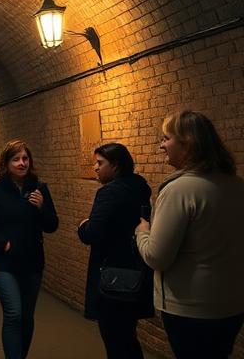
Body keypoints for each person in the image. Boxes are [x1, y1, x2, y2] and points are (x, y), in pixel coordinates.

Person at [135, 110, 244, 359]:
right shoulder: (240, 187)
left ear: (188, 143)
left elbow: (156, 257)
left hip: (189, 309)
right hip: (233, 305)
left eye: (166, 138)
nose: (161, 145)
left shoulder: (179, 190)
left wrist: (142, 232)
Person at [0, 140, 58, 359]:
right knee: (14, 314)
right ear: (6, 163)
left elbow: (52, 226)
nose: (22, 163)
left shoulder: (39, 189)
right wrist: (1, 241)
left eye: (25, 158)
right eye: (16, 159)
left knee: (27, 317)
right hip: (4, 263)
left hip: (32, 262)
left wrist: (42, 207)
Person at [78, 143, 154, 358]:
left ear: (116, 165)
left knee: (115, 340)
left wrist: (83, 225)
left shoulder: (109, 192)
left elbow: (91, 233)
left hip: (111, 276)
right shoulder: (140, 187)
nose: (95, 167)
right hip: (135, 273)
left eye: (100, 163)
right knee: (127, 338)